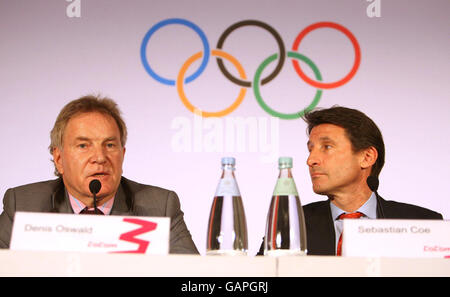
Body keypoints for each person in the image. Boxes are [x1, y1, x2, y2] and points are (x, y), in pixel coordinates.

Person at [0, 95, 199, 254]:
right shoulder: (22, 205)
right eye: (83, 145)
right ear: (59, 159)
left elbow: (193, 277)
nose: (100, 157)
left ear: (123, 154)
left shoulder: (160, 207)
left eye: (110, 145)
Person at [258, 106, 442, 256]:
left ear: (367, 157)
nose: (311, 160)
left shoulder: (424, 224)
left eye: (327, 147)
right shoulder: (291, 224)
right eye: (310, 149)